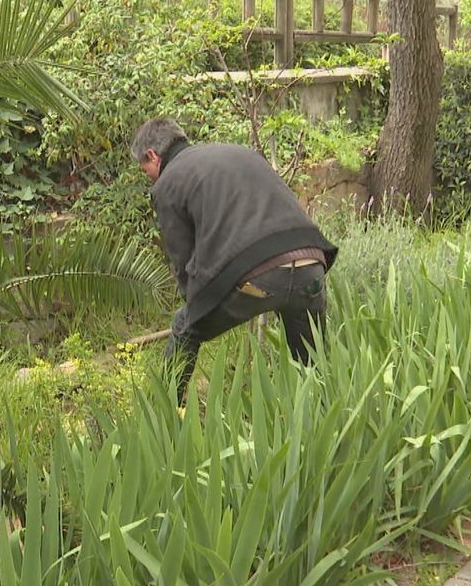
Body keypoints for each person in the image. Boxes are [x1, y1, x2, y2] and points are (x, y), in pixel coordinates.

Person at [132, 117, 339, 402]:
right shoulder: (237, 152)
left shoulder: (169, 182)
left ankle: (162, 419)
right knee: (311, 369)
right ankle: (324, 427)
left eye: (145, 170)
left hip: (259, 277)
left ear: (152, 156)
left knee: (184, 326)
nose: (150, 177)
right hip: (311, 262)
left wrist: (196, 308)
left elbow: (183, 261)